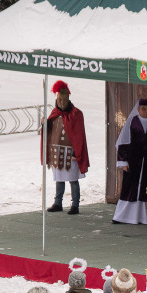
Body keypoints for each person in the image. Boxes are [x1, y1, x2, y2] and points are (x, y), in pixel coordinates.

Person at [113, 98, 147, 225]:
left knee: (142, 188)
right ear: (138, 109)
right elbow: (123, 142)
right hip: (132, 161)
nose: (146, 111)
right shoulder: (132, 121)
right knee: (128, 187)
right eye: (143, 109)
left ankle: (139, 217)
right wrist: (123, 162)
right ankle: (121, 216)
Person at [44, 80, 89, 215]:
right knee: (59, 178)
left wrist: (76, 152)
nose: (61, 103)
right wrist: (45, 124)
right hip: (57, 150)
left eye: (63, 100)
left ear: (68, 99)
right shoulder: (54, 113)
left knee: (73, 179)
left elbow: (79, 135)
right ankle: (58, 203)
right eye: (59, 100)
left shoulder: (76, 114)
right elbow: (50, 131)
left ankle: (75, 205)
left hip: (71, 151)